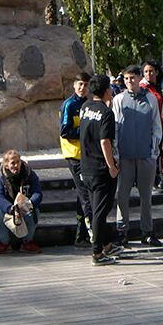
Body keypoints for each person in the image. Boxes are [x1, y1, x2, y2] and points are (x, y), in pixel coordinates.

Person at [112, 65, 162, 246]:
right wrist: (115, 154)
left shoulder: (150, 99)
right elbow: (115, 128)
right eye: (126, 79)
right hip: (125, 156)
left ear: (139, 78)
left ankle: (147, 231)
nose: (129, 82)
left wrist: (154, 151)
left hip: (145, 155)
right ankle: (122, 231)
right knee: (122, 195)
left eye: (132, 78)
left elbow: (157, 126)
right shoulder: (118, 99)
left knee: (146, 196)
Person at [79, 73, 121, 265]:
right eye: (110, 88)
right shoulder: (106, 113)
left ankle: (105, 244)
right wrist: (111, 166)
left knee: (96, 208)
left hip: (86, 167)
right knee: (100, 211)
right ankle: (97, 252)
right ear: (106, 91)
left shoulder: (85, 107)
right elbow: (105, 141)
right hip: (100, 169)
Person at [59, 72, 93, 246]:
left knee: (84, 193)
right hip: (74, 155)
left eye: (86, 85)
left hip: (87, 156)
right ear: (74, 85)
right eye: (80, 84)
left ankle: (82, 233)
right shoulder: (69, 105)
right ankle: (92, 234)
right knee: (86, 194)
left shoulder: (89, 103)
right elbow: (65, 132)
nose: (82, 88)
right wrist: (86, 131)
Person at [0, 149, 43, 254]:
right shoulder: (1, 176)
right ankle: (4, 243)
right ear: (6, 165)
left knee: (35, 212)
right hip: (9, 209)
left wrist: (29, 204)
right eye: (12, 163)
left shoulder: (29, 173)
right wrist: (11, 209)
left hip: (25, 206)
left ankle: (27, 242)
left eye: (17, 162)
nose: (15, 165)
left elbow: (37, 192)